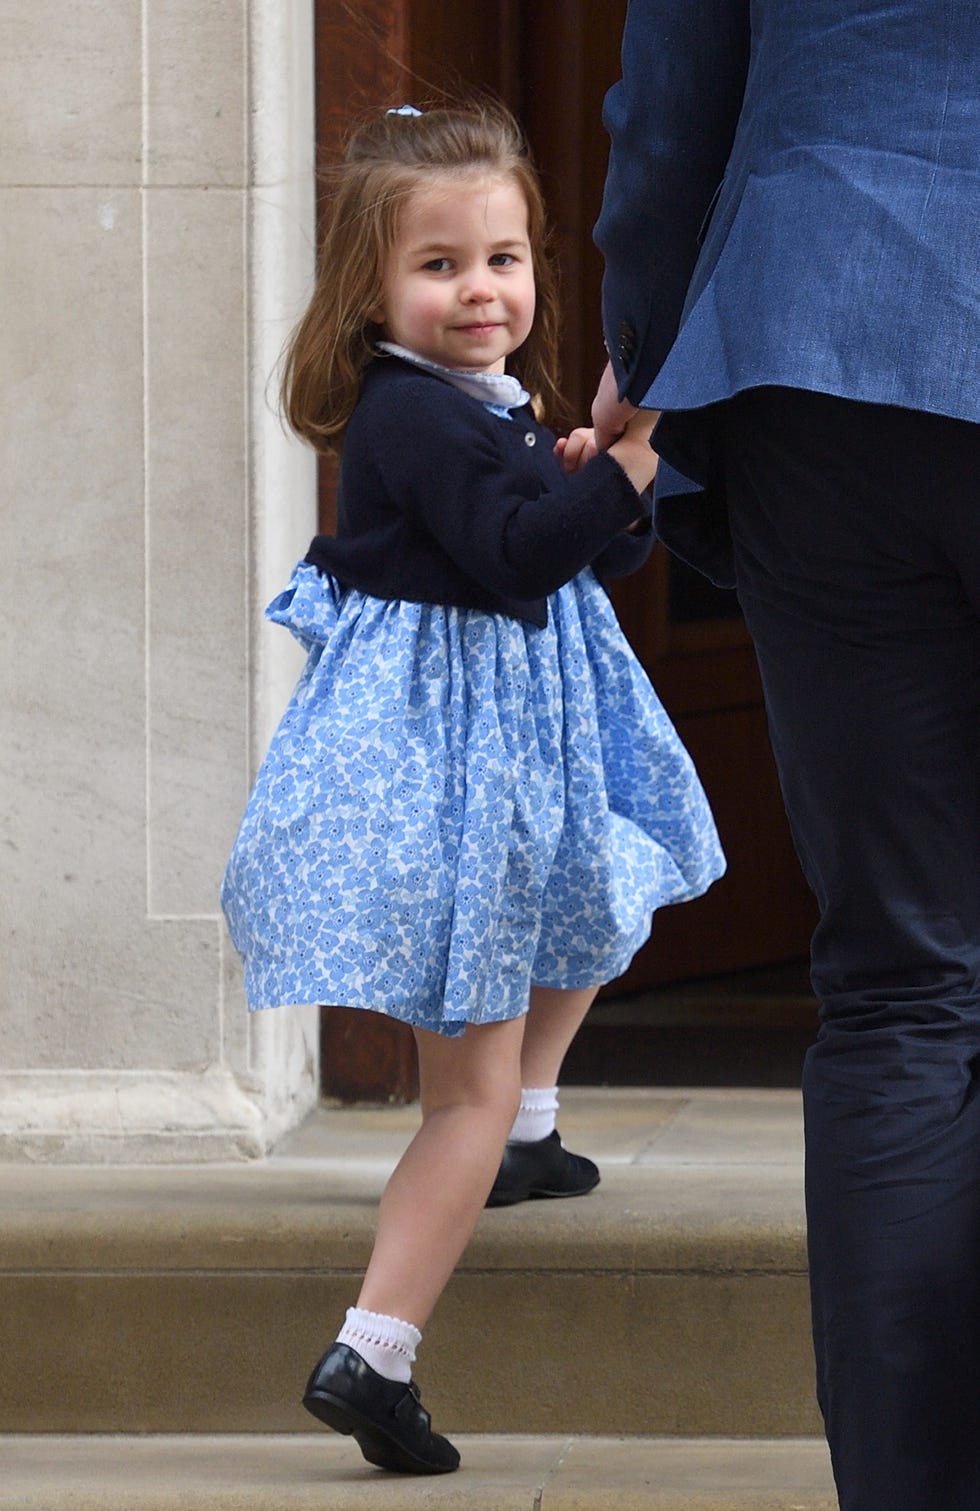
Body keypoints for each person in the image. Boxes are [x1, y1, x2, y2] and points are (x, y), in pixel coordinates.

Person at [221, 102, 724, 1476]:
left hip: (515, 766)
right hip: (465, 784)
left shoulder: (465, 410)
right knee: (463, 1096)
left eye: (504, 258)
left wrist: (579, 471)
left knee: (608, 876)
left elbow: (562, 552)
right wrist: (623, 461)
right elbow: (516, 560)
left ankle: (535, 1130)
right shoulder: (411, 421)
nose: (481, 290)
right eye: (440, 266)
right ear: (371, 290)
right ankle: (373, 1351)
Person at [590, 4, 980, 1508]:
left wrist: (648, 345)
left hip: (824, 336)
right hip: (823, 336)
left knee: (900, 991)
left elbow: (672, 111)